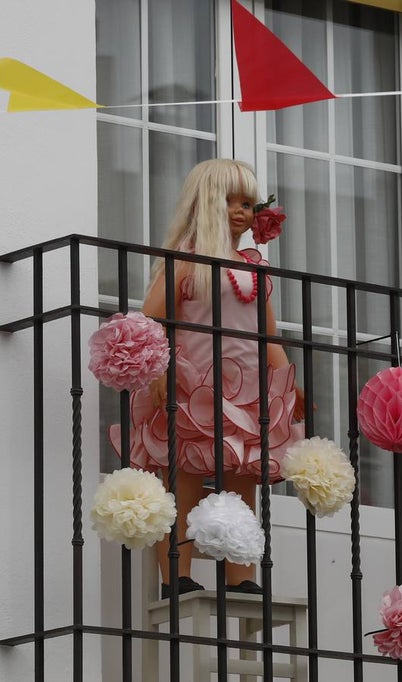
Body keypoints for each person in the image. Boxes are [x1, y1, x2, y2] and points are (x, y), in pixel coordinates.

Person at [110, 158, 305, 598]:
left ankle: (240, 574)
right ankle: (175, 574)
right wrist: (157, 369)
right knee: (184, 477)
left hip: (250, 390)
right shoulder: (187, 259)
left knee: (243, 478)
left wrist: (285, 379)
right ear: (207, 204)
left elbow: (266, 332)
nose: (242, 211)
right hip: (193, 386)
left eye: (248, 203)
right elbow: (152, 318)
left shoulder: (253, 267)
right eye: (231, 201)